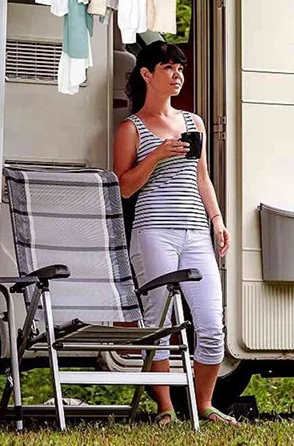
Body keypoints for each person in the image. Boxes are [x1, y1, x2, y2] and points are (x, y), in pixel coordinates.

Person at [114, 41, 236, 426]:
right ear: (147, 74)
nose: (178, 75)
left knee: (211, 321)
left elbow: (202, 179)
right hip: (153, 232)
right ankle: (165, 408)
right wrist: (157, 154)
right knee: (159, 322)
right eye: (169, 68)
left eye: (180, 69)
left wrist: (217, 220)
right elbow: (123, 187)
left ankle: (204, 405)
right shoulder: (130, 128)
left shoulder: (193, 122)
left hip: (196, 231)